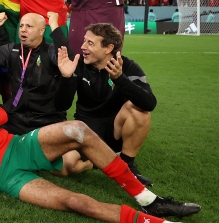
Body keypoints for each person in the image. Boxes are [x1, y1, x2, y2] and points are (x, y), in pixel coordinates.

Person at [0, 80, 202, 222]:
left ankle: (149, 200)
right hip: (3, 178)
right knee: (76, 202)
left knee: (77, 129)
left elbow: (0, 116)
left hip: (15, 147)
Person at [56, 23, 157, 185]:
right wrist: (66, 78)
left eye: (90, 43)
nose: (83, 47)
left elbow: (149, 103)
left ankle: (127, 165)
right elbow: (61, 105)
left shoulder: (127, 67)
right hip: (86, 131)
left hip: (114, 130)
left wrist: (120, 79)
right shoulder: (79, 64)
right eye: (84, 41)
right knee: (66, 165)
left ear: (108, 48)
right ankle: (101, 160)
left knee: (139, 111)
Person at [0, 11, 71, 138]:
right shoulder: (12, 50)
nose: (23, 29)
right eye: (21, 26)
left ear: (41, 31)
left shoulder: (50, 51)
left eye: (29, 26)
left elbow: (68, 58)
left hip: (45, 120)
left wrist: (54, 26)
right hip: (16, 117)